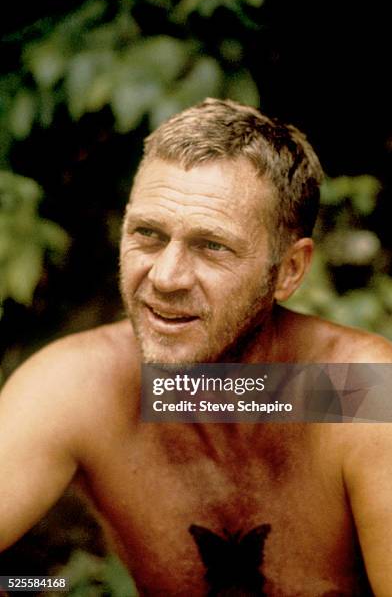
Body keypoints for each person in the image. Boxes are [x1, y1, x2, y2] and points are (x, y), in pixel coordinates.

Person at [1, 98, 392, 596]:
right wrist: (36, 587)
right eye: (148, 234)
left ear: (289, 271)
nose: (165, 277)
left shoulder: (357, 390)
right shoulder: (81, 387)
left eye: (212, 246)